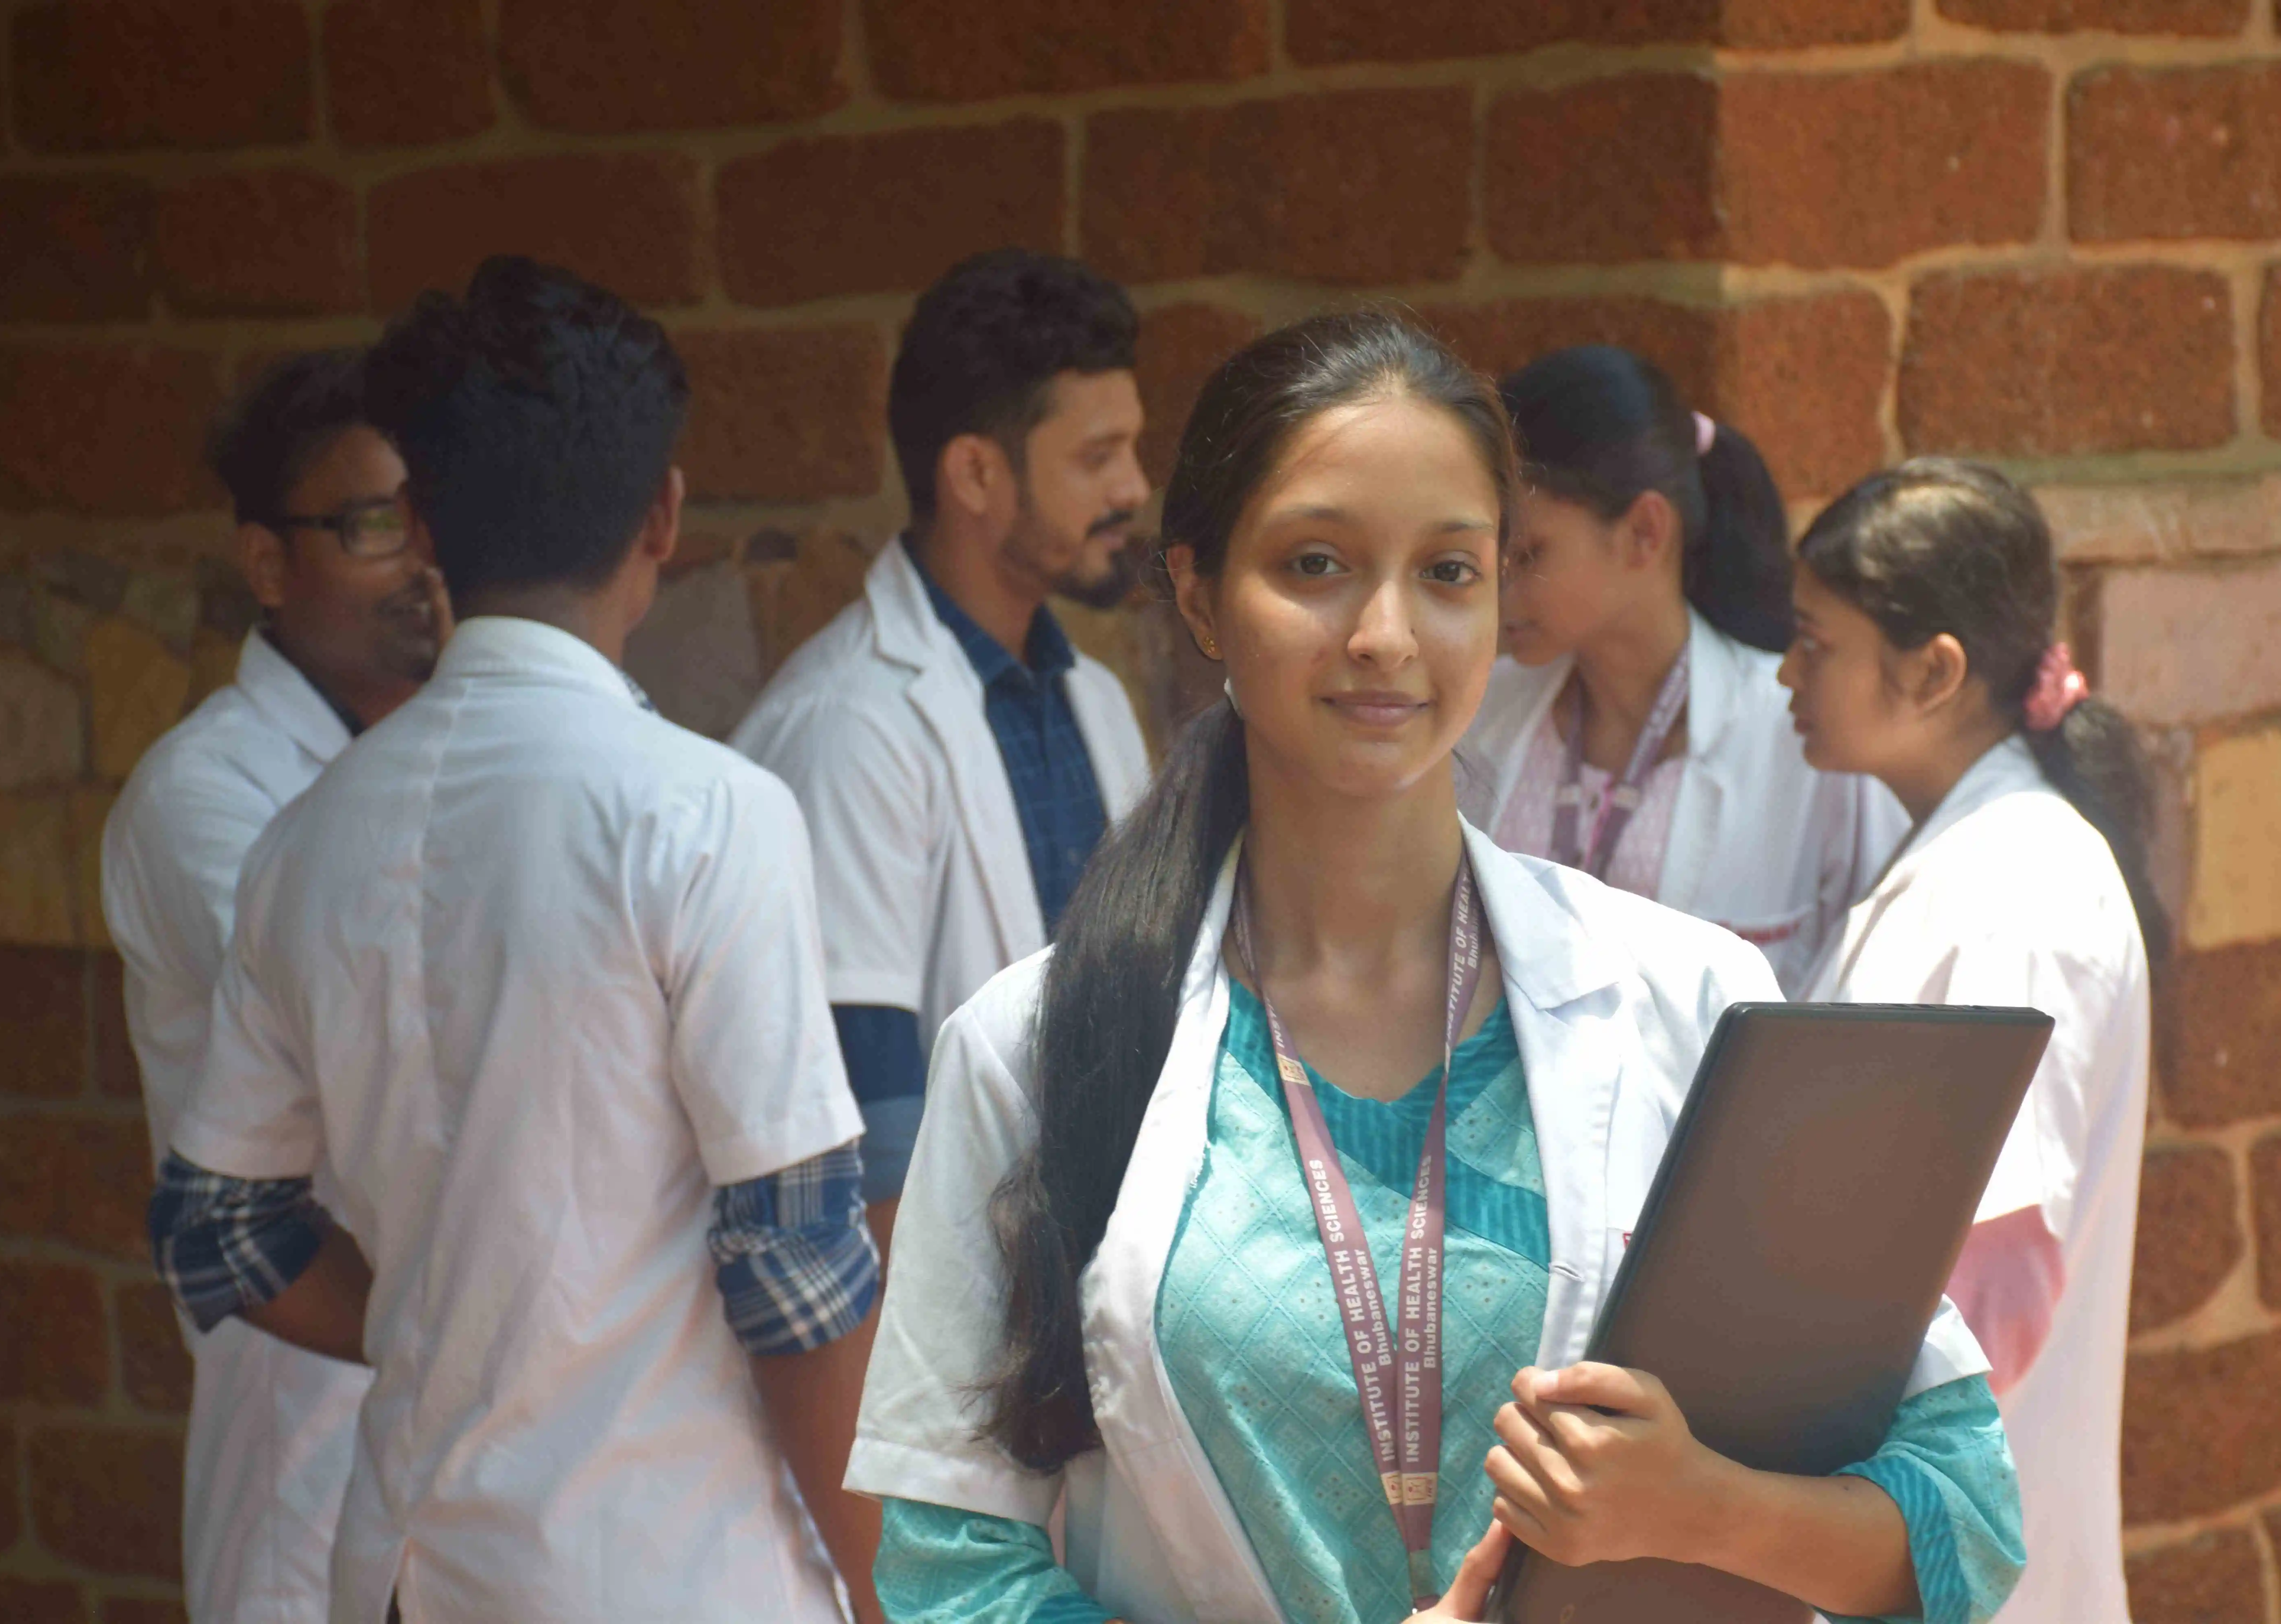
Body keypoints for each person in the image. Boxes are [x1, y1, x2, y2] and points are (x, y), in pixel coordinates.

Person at [847, 313, 2024, 1624]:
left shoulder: (1684, 1008)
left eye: (1452, 572)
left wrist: (1694, 1505)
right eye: (1316, 564)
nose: (1387, 635)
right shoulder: (1033, 1047)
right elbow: (950, 1571)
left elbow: (1964, 1518)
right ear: (1197, 593)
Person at [146, 257, 883, 1624]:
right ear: (665, 516)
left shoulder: (304, 842)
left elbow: (220, 1234)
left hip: (414, 1566)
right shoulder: (708, 817)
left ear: (421, 521)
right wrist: (905, 1595)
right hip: (672, 1567)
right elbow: (794, 1276)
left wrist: (451, 1326)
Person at [1785, 458, 2165, 1624]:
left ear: (1934, 671)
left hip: (1958, 1563)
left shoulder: (2025, 892)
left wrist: (1779, 1480)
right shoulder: (1959, 862)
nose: (1785, 676)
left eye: (1816, 644)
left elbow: (1996, 1280)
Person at [102, 348, 443, 1624]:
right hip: (311, 1410)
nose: (418, 560)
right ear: (266, 563)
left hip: (473, 1421)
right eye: (369, 526)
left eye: (429, 518)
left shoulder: (450, 755)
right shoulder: (207, 795)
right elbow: (377, 1043)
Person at [731, 249, 1153, 1249]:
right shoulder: (850, 727)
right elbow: (859, 1129)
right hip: (942, 1332)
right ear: (975, 472)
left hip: (1094, 1295)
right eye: (1097, 457)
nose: (1136, 486)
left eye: (1132, 448)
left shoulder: (1092, 700)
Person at [1459, 347, 1905, 992]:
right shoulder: (1479, 709)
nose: (1496, 588)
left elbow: (1878, 998)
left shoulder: (1807, 736)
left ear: (1644, 532)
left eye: (1528, 555)